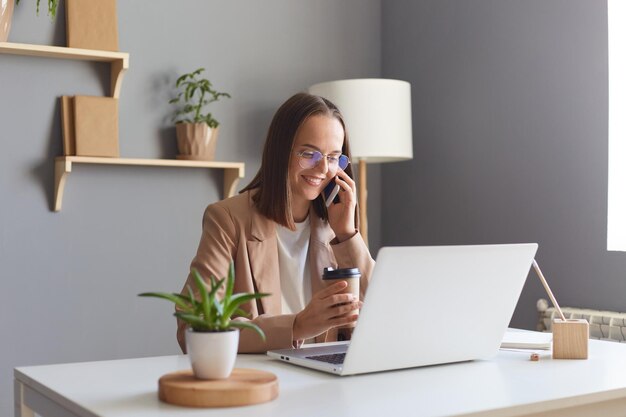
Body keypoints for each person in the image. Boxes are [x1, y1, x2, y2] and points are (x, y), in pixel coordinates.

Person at [176, 92, 375, 353]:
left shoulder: (337, 227)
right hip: (262, 380)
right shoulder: (228, 219)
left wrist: (348, 235)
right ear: (281, 152)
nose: (323, 169)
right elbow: (193, 328)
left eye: (333, 157)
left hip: (325, 380)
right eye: (309, 153)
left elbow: (383, 316)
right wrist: (296, 326)